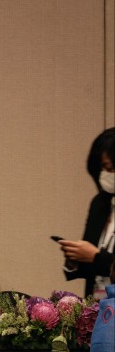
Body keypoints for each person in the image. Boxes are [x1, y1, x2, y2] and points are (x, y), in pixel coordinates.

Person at [59, 128, 115, 300]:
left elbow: (96, 258)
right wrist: (75, 258)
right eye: (102, 169)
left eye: (110, 168)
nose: (105, 175)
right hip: (97, 308)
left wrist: (96, 257)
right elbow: (91, 265)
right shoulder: (100, 203)